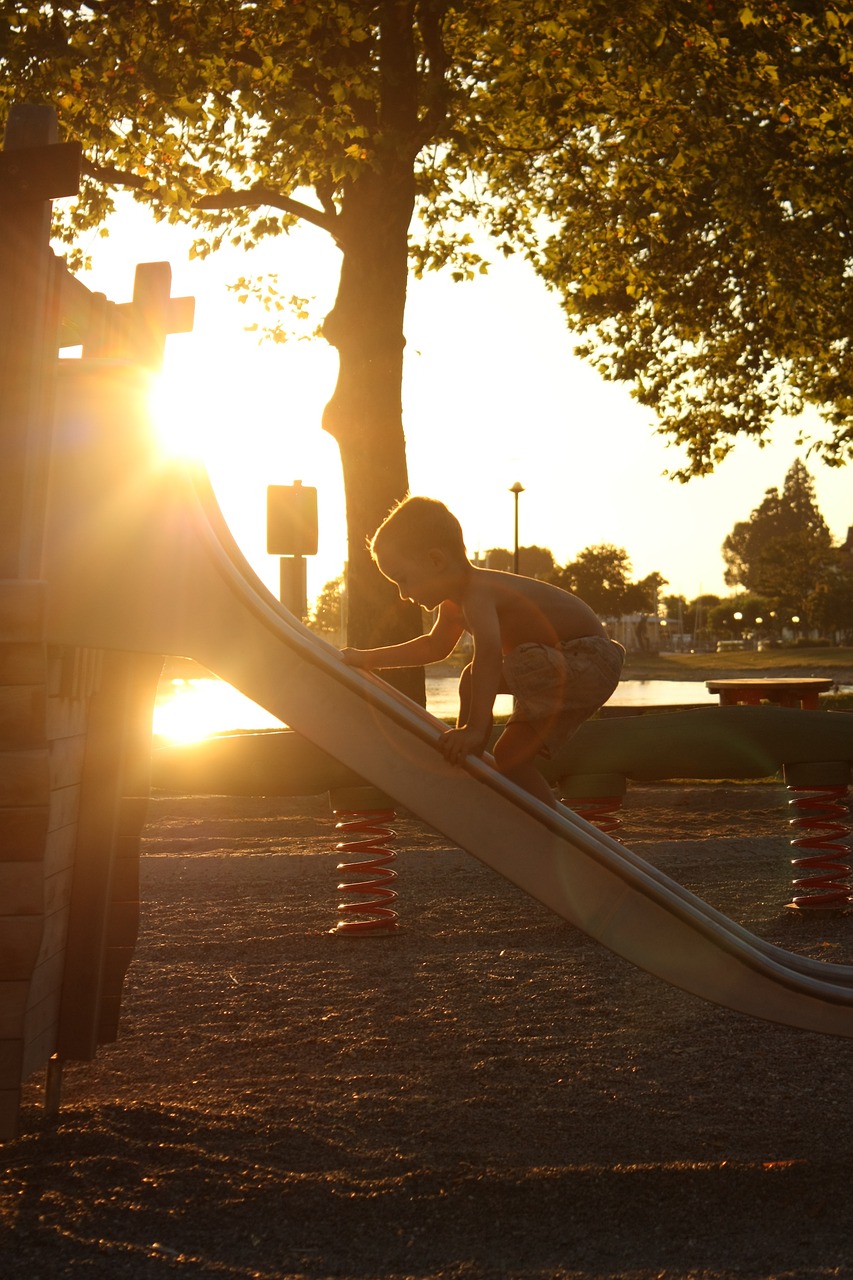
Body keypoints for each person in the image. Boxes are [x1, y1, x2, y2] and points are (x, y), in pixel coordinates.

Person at [341, 496, 625, 809]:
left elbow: (488, 654)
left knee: (475, 676)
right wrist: (368, 659)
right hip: (575, 664)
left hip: (587, 656)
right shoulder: (454, 606)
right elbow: (434, 647)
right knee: (508, 756)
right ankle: (544, 816)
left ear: (436, 561)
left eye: (403, 580)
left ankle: (471, 742)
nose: (404, 594)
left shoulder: (477, 593)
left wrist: (476, 729)